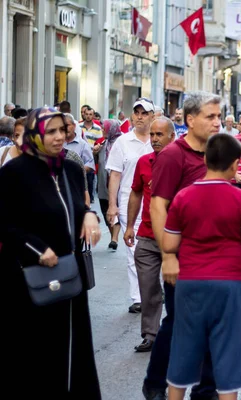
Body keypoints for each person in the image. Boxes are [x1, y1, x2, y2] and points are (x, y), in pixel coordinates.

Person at [142, 91, 241, 400]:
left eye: (218, 116)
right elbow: (158, 206)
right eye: (210, 117)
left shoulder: (219, 149)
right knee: (177, 327)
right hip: (185, 262)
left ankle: (207, 389)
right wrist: (168, 256)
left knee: (215, 330)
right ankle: (156, 383)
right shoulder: (174, 155)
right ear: (190, 120)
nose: (217, 122)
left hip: (220, 271)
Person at [0, 107, 102, 398]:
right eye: (51, 132)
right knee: (33, 349)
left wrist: (89, 214)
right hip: (27, 274)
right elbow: (5, 223)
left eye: (62, 130)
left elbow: (76, 206)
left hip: (67, 274)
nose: (60, 137)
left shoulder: (69, 167)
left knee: (71, 346)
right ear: (34, 136)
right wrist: (36, 248)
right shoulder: (14, 174)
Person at [163, 134, 241, 400]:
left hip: (190, 284)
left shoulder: (183, 197)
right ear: (235, 165)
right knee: (228, 358)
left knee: (183, 352)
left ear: (206, 160)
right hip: (229, 287)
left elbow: (170, 242)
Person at [124, 117, 175, 353]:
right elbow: (135, 193)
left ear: (172, 137)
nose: (154, 139)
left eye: (160, 135)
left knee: (176, 292)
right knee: (148, 288)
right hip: (146, 237)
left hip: (175, 239)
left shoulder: (182, 164)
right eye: (152, 134)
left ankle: (176, 334)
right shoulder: (144, 162)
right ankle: (151, 335)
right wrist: (129, 226)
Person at [107, 98, 154, 313]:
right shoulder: (122, 142)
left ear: (153, 116)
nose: (140, 117)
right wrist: (112, 205)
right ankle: (138, 297)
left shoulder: (160, 140)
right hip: (130, 203)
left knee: (155, 249)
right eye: (137, 113)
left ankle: (153, 292)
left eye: (145, 113)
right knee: (134, 250)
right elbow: (115, 175)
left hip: (157, 203)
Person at [96, 119, 122, 250]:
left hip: (116, 185)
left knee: (115, 209)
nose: (102, 130)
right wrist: (95, 152)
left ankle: (114, 239)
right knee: (105, 210)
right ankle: (113, 236)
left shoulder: (121, 144)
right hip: (102, 184)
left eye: (104, 128)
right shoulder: (103, 144)